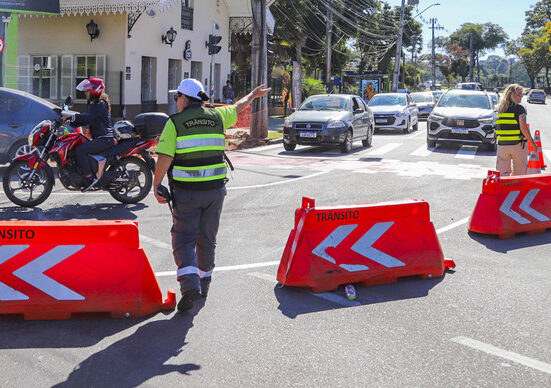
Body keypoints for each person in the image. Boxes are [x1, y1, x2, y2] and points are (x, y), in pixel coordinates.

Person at [153, 78, 271, 312]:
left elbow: (165, 158)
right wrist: (253, 94)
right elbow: (238, 107)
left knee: (184, 239)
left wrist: (156, 184)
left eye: (177, 97)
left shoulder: (175, 122)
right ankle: (203, 284)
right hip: (215, 192)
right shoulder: (217, 116)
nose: (176, 101)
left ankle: (189, 287)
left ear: (184, 98)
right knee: (207, 239)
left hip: (187, 193)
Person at [62, 78, 114, 191]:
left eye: (87, 91)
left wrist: (72, 116)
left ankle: (89, 177)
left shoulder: (100, 104)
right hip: (101, 139)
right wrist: (69, 121)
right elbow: (85, 121)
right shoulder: (96, 105)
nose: (85, 93)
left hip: (104, 139)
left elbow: (88, 117)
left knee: (80, 150)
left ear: (94, 91)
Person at [495, 84, 537, 176]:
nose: (522, 96)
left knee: (502, 174)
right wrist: (532, 143)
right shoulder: (519, 108)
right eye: (519, 94)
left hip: (502, 145)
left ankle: (504, 190)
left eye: (522, 94)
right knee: (519, 174)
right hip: (518, 145)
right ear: (512, 95)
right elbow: (523, 127)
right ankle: (515, 190)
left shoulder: (500, 109)